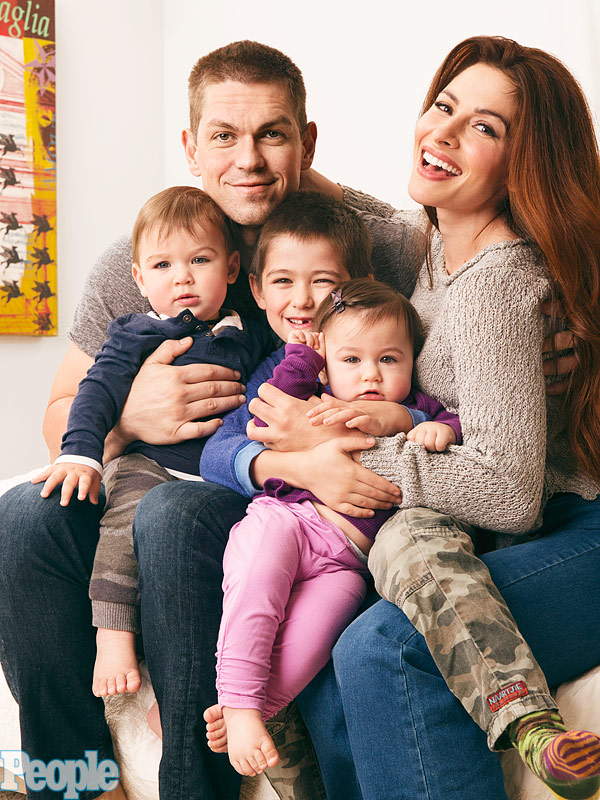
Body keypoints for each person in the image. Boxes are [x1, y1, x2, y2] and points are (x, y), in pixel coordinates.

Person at [0, 37, 579, 800]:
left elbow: (466, 252)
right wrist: (126, 413)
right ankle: (72, 785)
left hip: (260, 503)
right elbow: (56, 417)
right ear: (190, 145)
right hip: (183, 469)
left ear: (305, 144)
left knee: (174, 516)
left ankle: (195, 784)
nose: (247, 160)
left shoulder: (362, 244)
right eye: (224, 137)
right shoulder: (148, 254)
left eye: (272, 134)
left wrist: (565, 337)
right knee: (22, 521)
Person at [240, 36, 600, 800]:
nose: (442, 132)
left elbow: (509, 491)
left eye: (484, 128)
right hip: (503, 528)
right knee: (339, 638)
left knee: (385, 648)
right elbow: (348, 207)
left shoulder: (498, 282)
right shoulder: (429, 249)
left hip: (579, 529)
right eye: (443, 107)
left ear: (522, 163)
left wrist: (343, 459)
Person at [203, 273, 461, 777]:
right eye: (351, 359)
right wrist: (305, 356)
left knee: (312, 642)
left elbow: (453, 423)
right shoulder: (312, 392)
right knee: (255, 594)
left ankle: (253, 709)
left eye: (389, 359)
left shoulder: (413, 409)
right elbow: (264, 415)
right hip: (288, 521)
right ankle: (237, 697)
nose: (371, 375)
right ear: (328, 359)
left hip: (345, 564)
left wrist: (421, 425)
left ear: (412, 359)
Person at [32, 185, 274, 698]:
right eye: (162, 266)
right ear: (139, 278)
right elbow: (94, 391)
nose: (182, 276)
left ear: (232, 268)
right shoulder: (137, 333)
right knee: (125, 523)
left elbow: (281, 367)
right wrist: (81, 452)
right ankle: (114, 633)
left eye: (199, 260)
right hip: (150, 464)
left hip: (217, 476)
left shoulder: (249, 331)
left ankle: (198, 679)